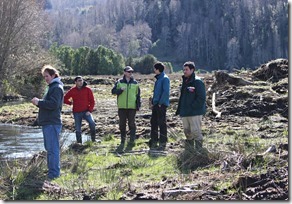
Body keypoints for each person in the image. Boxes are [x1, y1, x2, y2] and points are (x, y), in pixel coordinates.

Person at [31, 65, 64, 180]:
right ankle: (52, 172)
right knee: (50, 149)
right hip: (48, 123)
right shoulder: (52, 87)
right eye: (44, 76)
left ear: (53, 75)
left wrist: (39, 102)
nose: (45, 78)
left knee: (53, 149)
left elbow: (53, 104)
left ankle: (54, 173)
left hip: (52, 123)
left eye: (47, 76)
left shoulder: (56, 87)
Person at [175, 61, 206, 152]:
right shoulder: (185, 82)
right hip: (185, 112)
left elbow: (201, 97)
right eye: (184, 69)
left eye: (187, 69)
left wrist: (193, 107)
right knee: (187, 132)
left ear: (192, 70)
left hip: (195, 112)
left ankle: (199, 151)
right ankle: (189, 151)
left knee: (196, 132)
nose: (184, 71)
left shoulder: (197, 82)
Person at [112, 66, 141, 152]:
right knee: (122, 124)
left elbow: (138, 95)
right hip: (122, 107)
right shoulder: (119, 82)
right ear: (124, 72)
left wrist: (138, 106)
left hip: (132, 107)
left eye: (131, 72)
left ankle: (132, 140)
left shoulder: (135, 83)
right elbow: (113, 91)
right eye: (128, 72)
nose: (130, 73)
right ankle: (122, 140)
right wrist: (120, 90)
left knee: (132, 123)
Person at [64, 76, 96, 143]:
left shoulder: (88, 90)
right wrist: (70, 103)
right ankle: (79, 143)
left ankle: (93, 140)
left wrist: (89, 110)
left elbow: (92, 101)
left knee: (92, 123)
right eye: (79, 81)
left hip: (86, 111)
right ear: (75, 82)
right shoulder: (72, 90)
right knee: (78, 129)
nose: (81, 82)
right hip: (76, 112)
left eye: (81, 80)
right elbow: (64, 98)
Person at [149, 62, 170, 151]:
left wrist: (161, 103)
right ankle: (154, 139)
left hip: (161, 105)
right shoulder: (159, 79)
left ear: (158, 69)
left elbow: (165, 92)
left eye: (155, 69)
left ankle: (162, 141)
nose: (154, 70)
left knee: (161, 123)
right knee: (153, 122)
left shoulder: (165, 79)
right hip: (156, 104)